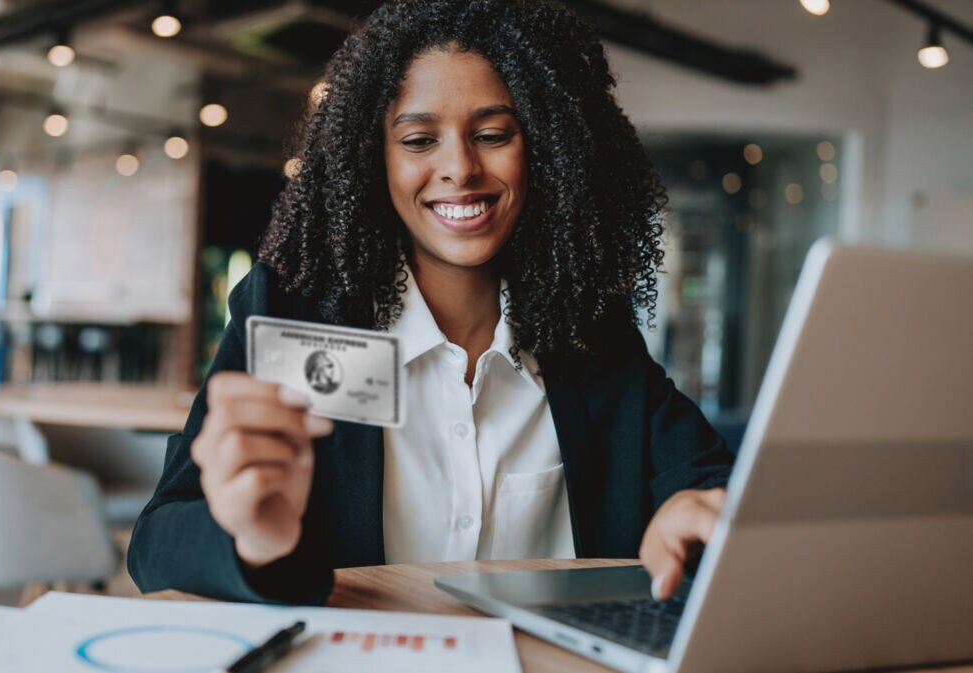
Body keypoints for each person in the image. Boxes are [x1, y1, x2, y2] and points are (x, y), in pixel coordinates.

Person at [129, 0, 734, 606]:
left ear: (546, 149)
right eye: (419, 140)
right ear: (376, 159)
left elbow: (709, 486)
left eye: (493, 135)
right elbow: (157, 544)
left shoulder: (587, 331)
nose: (459, 169)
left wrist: (694, 512)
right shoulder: (299, 314)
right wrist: (250, 537)